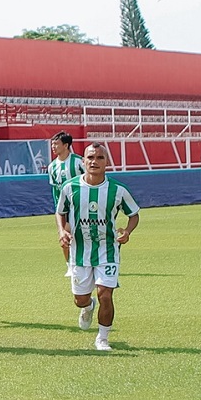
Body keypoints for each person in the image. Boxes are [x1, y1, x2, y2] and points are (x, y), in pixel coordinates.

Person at [56, 143, 140, 351]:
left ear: (107, 162)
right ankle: (87, 306)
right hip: (80, 251)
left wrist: (127, 231)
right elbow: (60, 212)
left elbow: (134, 214)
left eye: (100, 158)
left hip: (107, 250)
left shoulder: (117, 191)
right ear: (83, 161)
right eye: (90, 157)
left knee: (105, 293)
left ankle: (102, 338)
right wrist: (62, 231)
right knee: (80, 299)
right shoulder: (70, 187)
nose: (94, 161)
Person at [48, 131, 84, 277]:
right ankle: (70, 265)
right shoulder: (52, 167)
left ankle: (85, 262)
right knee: (63, 237)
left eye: (56, 143)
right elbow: (55, 190)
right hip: (63, 209)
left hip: (81, 206)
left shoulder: (78, 162)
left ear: (66, 145)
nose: (53, 146)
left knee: (82, 235)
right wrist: (58, 208)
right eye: (52, 143)